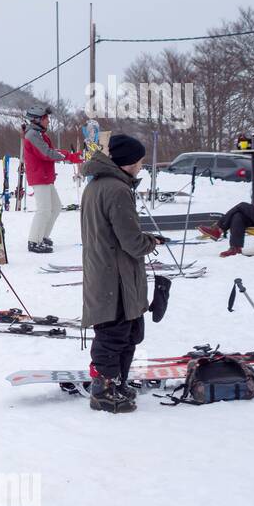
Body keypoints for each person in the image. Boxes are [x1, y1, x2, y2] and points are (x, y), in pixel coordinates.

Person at [80, 134, 160, 413]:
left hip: (110, 272)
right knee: (113, 335)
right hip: (114, 278)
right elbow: (132, 243)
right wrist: (151, 241)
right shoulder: (116, 190)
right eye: (138, 161)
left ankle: (117, 384)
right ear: (127, 162)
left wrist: (144, 238)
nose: (140, 166)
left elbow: (118, 233)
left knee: (128, 333)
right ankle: (104, 391)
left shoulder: (98, 185)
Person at [22, 104, 80, 253]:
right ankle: (34, 241)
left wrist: (71, 156)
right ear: (36, 120)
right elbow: (47, 153)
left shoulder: (39, 134)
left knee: (55, 207)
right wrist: (70, 156)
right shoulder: (32, 135)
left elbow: (50, 151)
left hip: (45, 176)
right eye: (46, 118)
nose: (48, 121)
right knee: (44, 210)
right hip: (39, 176)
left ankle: (42, 237)